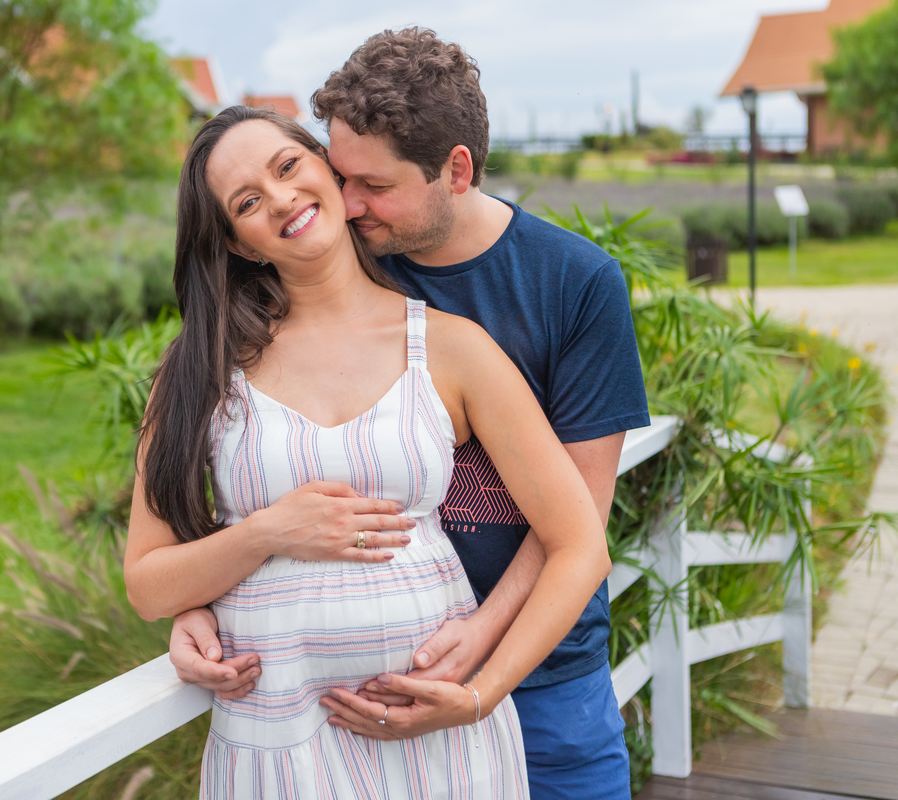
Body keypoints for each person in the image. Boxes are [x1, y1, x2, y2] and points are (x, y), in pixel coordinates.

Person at [169, 29, 650, 800]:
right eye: (340, 175)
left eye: (375, 185)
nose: (349, 204)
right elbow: (254, 465)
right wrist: (198, 602)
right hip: (345, 709)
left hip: (544, 669)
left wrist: (479, 654)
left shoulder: (574, 283)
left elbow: (578, 520)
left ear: (455, 171)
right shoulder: (344, 259)